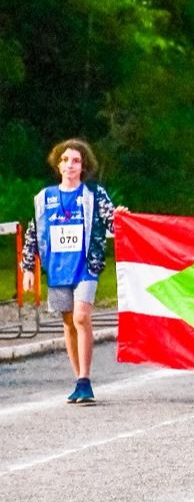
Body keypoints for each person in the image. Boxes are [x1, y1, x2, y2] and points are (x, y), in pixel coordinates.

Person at [20, 139, 126, 404]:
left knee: (81, 317)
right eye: (66, 160)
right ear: (58, 164)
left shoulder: (93, 194)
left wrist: (121, 216)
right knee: (68, 322)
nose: (70, 165)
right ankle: (78, 379)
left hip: (86, 267)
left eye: (76, 161)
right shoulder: (45, 197)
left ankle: (85, 379)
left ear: (83, 166)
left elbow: (110, 219)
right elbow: (35, 231)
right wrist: (28, 267)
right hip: (57, 268)